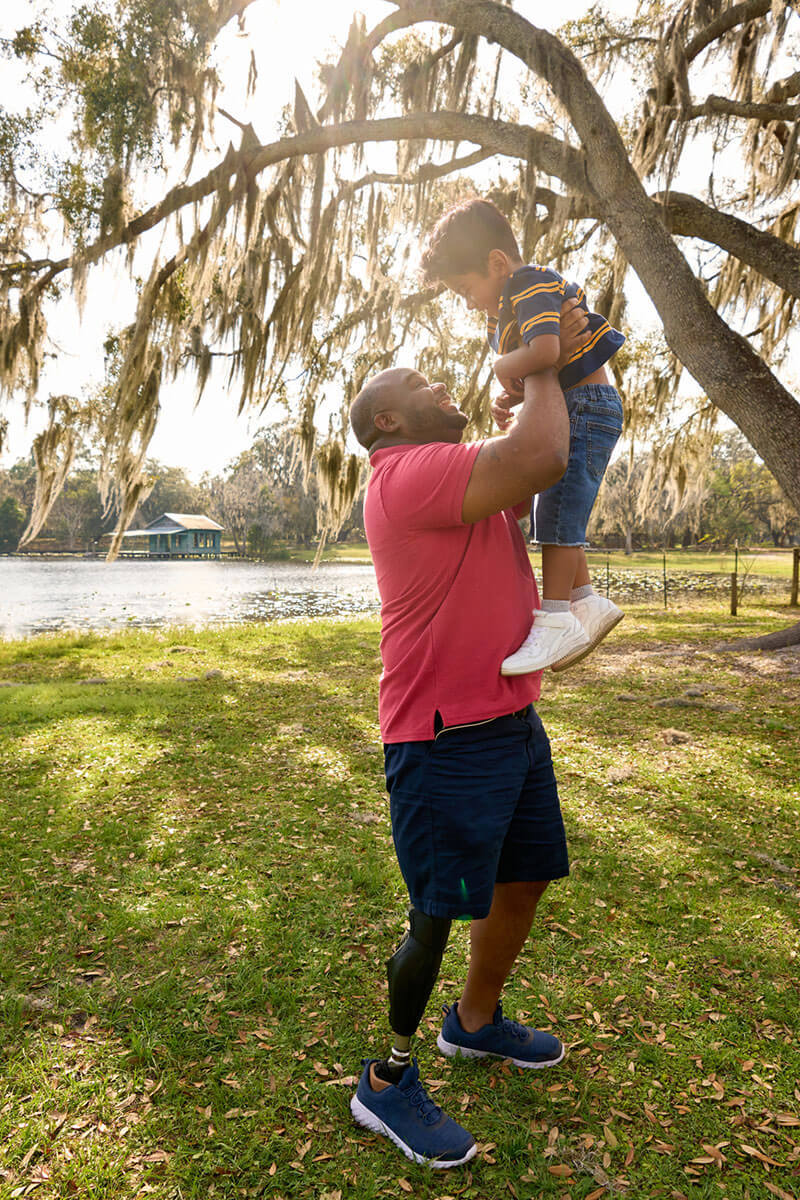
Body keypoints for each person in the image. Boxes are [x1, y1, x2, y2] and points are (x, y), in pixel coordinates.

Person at [346, 299, 588, 1168]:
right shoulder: (405, 473)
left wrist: (523, 396)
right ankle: (386, 1081)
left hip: (510, 718)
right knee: (434, 916)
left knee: (523, 879)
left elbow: (537, 473)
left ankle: (475, 1023)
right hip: (442, 735)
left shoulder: (448, 465)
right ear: (388, 419)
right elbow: (546, 451)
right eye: (418, 382)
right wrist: (542, 360)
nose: (440, 379)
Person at [421, 197, 626, 675]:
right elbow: (543, 365)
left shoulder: (527, 282)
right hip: (572, 406)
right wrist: (512, 398)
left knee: (558, 513)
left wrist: (500, 366)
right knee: (548, 509)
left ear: (496, 263)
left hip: (587, 409)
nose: (468, 301)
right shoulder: (506, 306)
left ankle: (555, 618)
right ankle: (585, 601)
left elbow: (547, 350)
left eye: (466, 289)